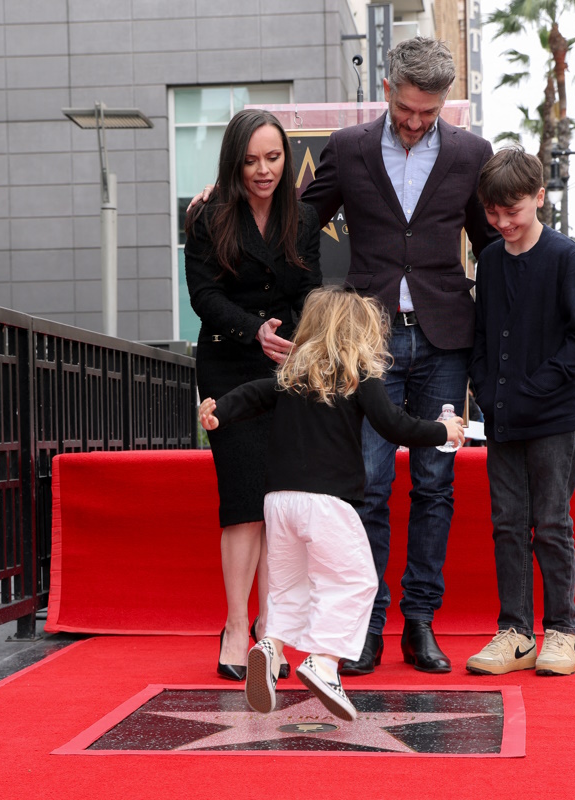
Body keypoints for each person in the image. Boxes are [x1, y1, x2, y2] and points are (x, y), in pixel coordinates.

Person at [191, 39, 498, 676]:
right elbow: (298, 213)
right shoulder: (352, 147)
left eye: (430, 112)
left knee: (436, 483)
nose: (417, 122)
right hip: (365, 341)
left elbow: (489, 240)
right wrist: (222, 195)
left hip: (445, 335)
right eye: (409, 108)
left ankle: (421, 623)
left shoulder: (471, 153)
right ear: (388, 89)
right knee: (366, 484)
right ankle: (365, 629)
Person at [197, 286, 465, 721]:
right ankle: (323, 662)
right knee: (357, 580)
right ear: (360, 333)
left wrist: (218, 412)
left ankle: (269, 645)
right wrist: (443, 430)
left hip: (278, 502)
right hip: (327, 503)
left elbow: (252, 394)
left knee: (288, 585)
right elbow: (394, 424)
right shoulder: (359, 377)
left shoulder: (291, 376)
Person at [184, 108, 322, 681]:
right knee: (242, 499)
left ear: (286, 159)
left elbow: (311, 290)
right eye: (249, 160)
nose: (263, 171)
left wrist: (303, 340)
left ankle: (273, 630)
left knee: (277, 505)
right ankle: (237, 626)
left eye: (272, 158)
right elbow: (202, 295)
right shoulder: (207, 217)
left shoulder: (305, 217)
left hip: (286, 371)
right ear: (233, 162)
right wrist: (252, 328)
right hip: (229, 366)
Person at [466, 147, 575, 678]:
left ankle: (562, 632)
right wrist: (484, 383)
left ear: (539, 197)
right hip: (501, 418)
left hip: (550, 418)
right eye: (493, 214)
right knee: (506, 523)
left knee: (551, 522)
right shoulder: (491, 260)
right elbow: (481, 333)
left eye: (512, 211)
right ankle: (516, 632)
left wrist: (533, 387)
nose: (502, 223)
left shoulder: (565, 256)